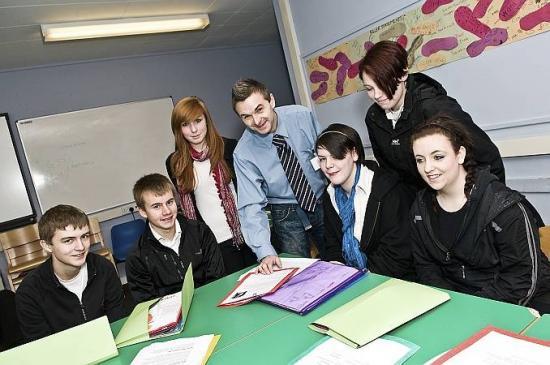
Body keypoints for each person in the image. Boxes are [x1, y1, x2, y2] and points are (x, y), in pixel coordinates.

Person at [410, 116, 550, 313]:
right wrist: (449, 303)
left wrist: (471, 308)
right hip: (458, 304)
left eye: (438, 157)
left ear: (460, 155)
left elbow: (521, 278)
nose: (428, 168)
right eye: (420, 160)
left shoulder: (504, 207)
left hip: (520, 303)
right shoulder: (420, 207)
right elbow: (426, 266)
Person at [359, 40, 504, 194]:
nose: (377, 95)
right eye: (369, 89)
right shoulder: (373, 118)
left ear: (403, 74)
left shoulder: (435, 107)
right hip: (420, 206)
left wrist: (487, 205)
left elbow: (488, 157)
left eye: (383, 85)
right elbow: (391, 174)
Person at [232, 78, 326, 274]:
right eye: (246, 117)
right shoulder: (243, 153)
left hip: (321, 198)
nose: (256, 121)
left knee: (340, 257)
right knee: (298, 274)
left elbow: (329, 156)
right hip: (285, 212)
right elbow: (251, 206)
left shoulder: (302, 116)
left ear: (271, 101)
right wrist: (264, 251)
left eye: (259, 109)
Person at [165, 96, 256, 275]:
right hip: (212, 245)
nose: (193, 130)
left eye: (198, 121)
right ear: (178, 129)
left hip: (246, 236)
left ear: (206, 119)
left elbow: (249, 192)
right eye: (185, 124)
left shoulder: (229, 147)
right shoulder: (175, 163)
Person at [316, 123, 415, 279]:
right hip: (352, 279)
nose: (328, 165)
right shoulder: (329, 195)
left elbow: (397, 253)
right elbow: (333, 244)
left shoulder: (388, 190)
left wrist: (361, 279)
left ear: (354, 153)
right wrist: (337, 270)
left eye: (336, 156)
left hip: (393, 280)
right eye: (322, 159)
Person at [16, 205, 125, 342]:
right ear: (47, 245)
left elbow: (118, 321)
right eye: (68, 240)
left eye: (84, 236)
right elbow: (42, 346)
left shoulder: (103, 268)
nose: (80, 247)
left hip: (110, 344)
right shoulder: (29, 292)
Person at [126, 173, 225, 303]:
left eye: (170, 202)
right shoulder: (137, 257)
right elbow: (147, 304)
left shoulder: (200, 231)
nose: (166, 211)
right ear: (143, 211)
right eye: (156, 206)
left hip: (211, 303)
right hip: (171, 318)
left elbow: (217, 278)